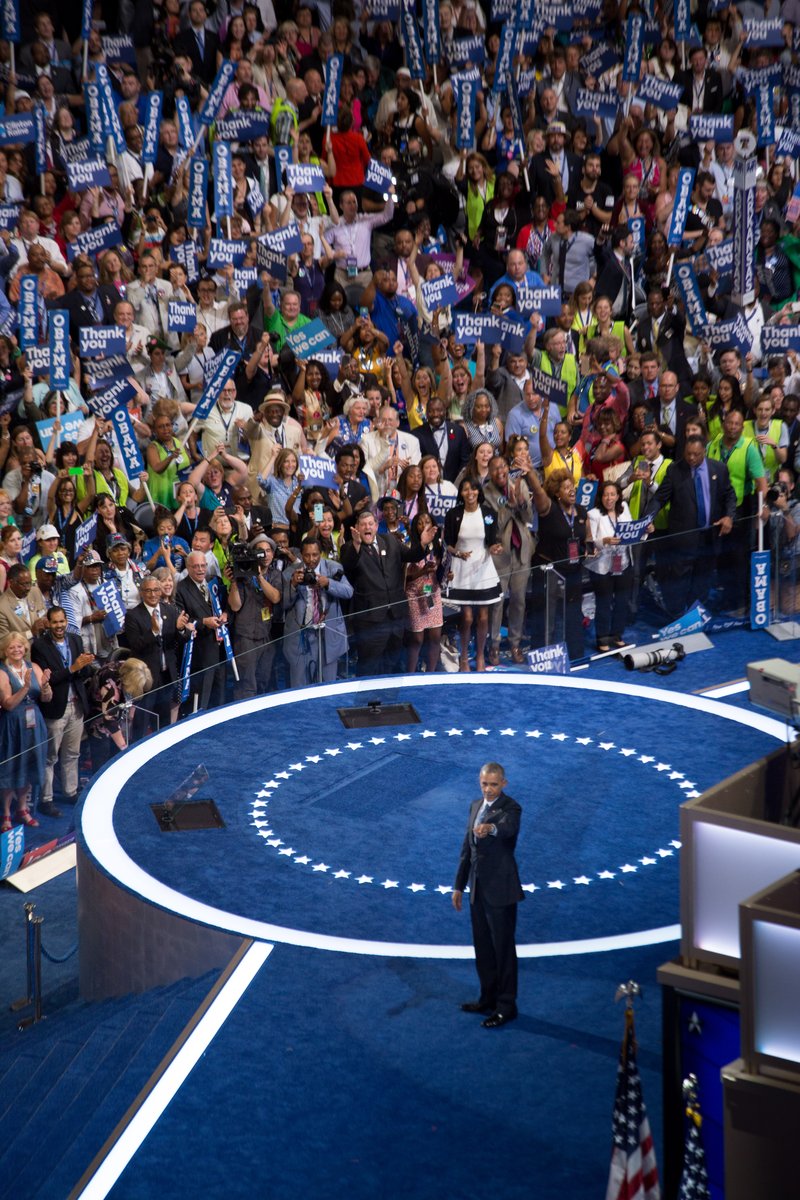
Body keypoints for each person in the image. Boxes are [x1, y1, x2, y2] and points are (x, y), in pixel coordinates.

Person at [453, 761, 523, 1029]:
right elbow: (467, 850)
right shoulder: (474, 806)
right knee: (483, 948)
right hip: (477, 891)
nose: (489, 789)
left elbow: (507, 828)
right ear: (479, 781)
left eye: (494, 784)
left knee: (503, 951)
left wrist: (489, 828)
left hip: (501, 893)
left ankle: (507, 1007)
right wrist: (459, 886)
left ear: (504, 783)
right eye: (485, 784)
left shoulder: (511, 808)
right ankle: (488, 999)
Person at [340, 508, 435, 676]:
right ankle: (366, 699)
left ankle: (388, 699)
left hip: (396, 618)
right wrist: (356, 544)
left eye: (370, 523)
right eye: (363, 525)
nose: (367, 527)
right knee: (369, 665)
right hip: (370, 620)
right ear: (357, 528)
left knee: (392, 662)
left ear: (377, 526)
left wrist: (422, 544)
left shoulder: (390, 541)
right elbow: (348, 566)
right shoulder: (350, 548)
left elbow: (411, 555)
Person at [31, 607, 94, 814]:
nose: (59, 626)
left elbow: (81, 672)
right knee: (50, 757)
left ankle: (70, 792)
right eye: (55, 622)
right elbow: (47, 680)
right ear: (48, 623)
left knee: (72, 753)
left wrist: (85, 665)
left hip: (76, 705)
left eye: (62, 621)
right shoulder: (39, 646)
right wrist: (73, 668)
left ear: (67, 621)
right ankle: (46, 799)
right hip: (54, 709)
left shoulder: (75, 640)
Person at [443, 478, 503, 672]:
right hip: (462, 570)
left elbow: (492, 541)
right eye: (466, 489)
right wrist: (458, 553)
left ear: (478, 492)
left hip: (483, 569)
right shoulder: (453, 514)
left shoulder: (489, 514)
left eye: (474, 489)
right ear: (461, 493)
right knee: (467, 617)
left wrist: (495, 548)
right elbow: (448, 545)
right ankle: (462, 658)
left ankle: (479, 658)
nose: (470, 492)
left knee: (483, 618)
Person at [282, 535, 354, 687]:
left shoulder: (333, 568)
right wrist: (293, 585)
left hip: (328, 634)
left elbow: (349, 592)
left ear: (320, 554)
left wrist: (328, 583)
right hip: (300, 637)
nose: (311, 559)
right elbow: (284, 604)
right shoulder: (290, 573)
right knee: (299, 685)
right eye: (307, 555)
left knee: (327, 686)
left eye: (315, 554)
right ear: (301, 555)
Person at [124, 576, 193, 733]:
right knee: (141, 724)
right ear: (142, 592)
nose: (153, 594)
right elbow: (135, 645)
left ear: (161, 591)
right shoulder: (133, 616)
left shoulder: (170, 610)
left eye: (156, 590)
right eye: (148, 590)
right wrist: (153, 632)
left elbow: (183, 639)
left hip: (166, 676)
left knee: (164, 722)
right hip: (145, 680)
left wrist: (181, 629)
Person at [586, 482, 634, 652]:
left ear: (618, 496)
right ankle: (602, 640)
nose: (609, 498)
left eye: (613, 494)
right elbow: (589, 543)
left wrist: (646, 530)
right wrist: (603, 541)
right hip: (602, 566)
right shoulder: (593, 514)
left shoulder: (624, 508)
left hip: (623, 562)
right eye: (606, 494)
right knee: (604, 603)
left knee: (622, 601)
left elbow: (632, 531)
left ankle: (617, 635)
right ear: (601, 496)